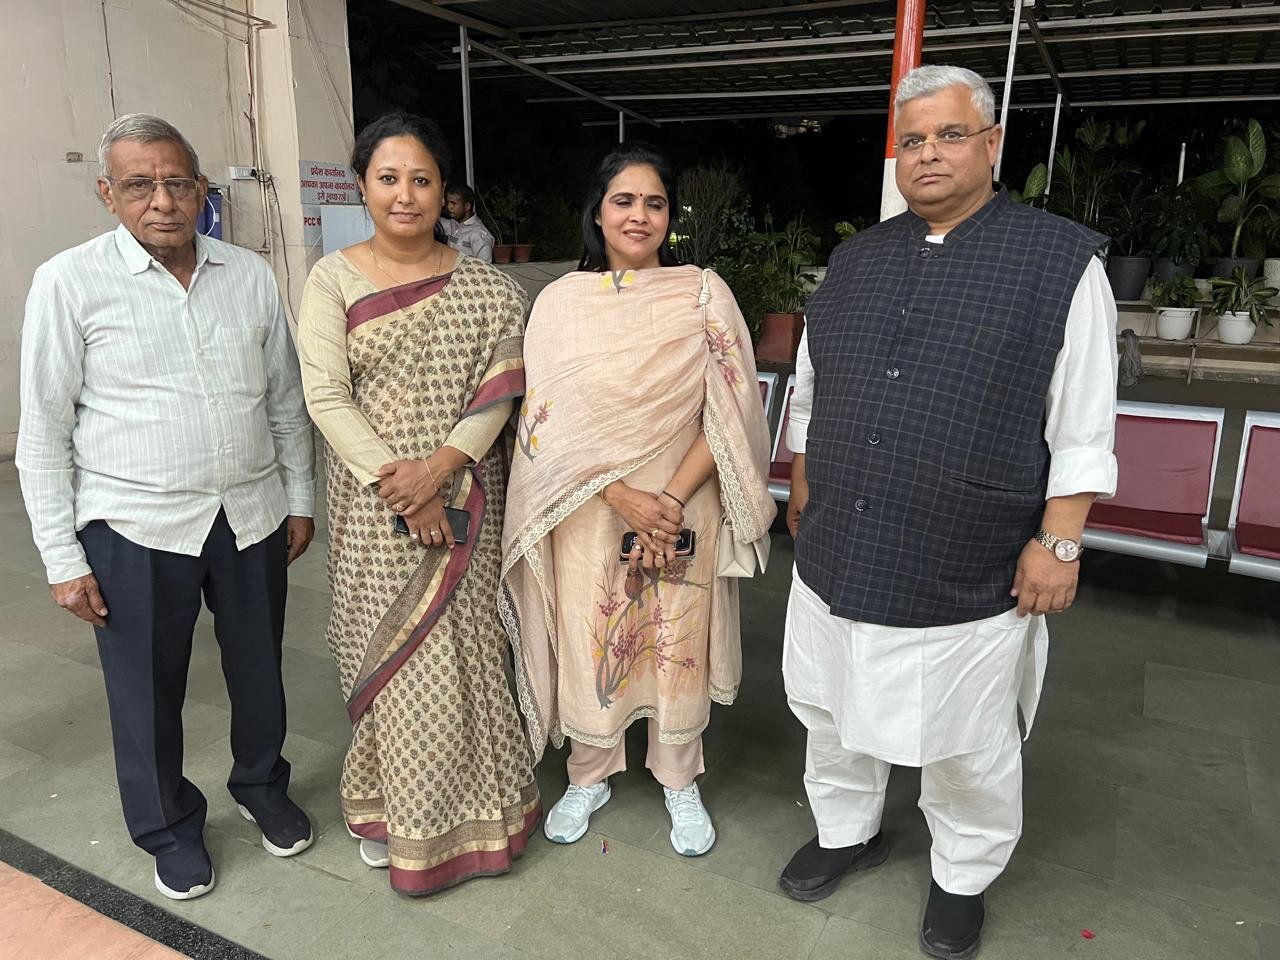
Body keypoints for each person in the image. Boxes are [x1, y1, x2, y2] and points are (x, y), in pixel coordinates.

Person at [778, 65, 1118, 959]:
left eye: (951, 134)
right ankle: (846, 830)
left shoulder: (1059, 262)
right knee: (831, 705)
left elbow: (1083, 417)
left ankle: (963, 871)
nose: (929, 153)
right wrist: (802, 475)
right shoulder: (856, 259)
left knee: (967, 734)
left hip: (968, 549)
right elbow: (813, 384)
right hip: (842, 535)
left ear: (992, 143)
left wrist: (1060, 540)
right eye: (913, 140)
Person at [17, 114, 317, 902]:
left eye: (177, 182)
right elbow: (43, 431)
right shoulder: (68, 282)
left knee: (260, 672)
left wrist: (299, 497)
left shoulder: (248, 274)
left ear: (201, 189)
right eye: (140, 185)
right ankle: (168, 827)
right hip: (134, 528)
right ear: (107, 193)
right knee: (146, 692)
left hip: (249, 515)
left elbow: (285, 400)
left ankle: (261, 786)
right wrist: (62, 558)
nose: (162, 201)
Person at [501, 142, 775, 857]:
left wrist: (669, 500)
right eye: (623, 200)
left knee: (675, 636)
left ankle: (679, 778)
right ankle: (589, 773)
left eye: (655, 203)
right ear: (597, 212)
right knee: (592, 631)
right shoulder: (561, 303)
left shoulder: (701, 292)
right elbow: (545, 426)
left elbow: (731, 410)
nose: (639, 215)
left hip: (684, 496)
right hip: (591, 506)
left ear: (670, 216)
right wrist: (622, 496)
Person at [296, 111, 539, 896]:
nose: (405, 194)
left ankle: (480, 815)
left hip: (467, 495)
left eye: (422, 179)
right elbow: (326, 396)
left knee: (468, 656)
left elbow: (498, 394)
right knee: (394, 659)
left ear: (444, 191)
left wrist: (437, 470)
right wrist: (398, 483)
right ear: (362, 186)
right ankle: (395, 815)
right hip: (372, 508)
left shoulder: (490, 288)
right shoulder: (331, 279)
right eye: (388, 178)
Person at [441, 183, 495, 262]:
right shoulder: (452, 224)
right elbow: (431, 220)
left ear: (467, 206)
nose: (449, 207)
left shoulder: (479, 234)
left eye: (453, 203)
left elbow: (484, 267)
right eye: (448, 202)